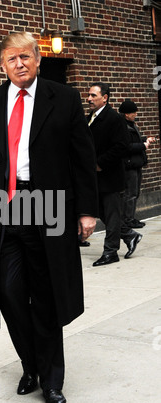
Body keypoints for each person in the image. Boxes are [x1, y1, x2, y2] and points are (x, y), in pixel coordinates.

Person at [0, 32, 98, 403]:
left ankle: (51, 381)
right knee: (8, 293)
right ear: (1, 65)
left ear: (37, 59)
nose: (18, 64)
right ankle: (30, 365)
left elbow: (82, 158)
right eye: (10, 59)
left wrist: (87, 211)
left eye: (25, 56)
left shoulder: (64, 99)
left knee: (48, 295)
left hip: (49, 206)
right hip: (1, 208)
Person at [87, 82, 143, 266]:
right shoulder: (92, 116)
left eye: (93, 96)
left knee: (111, 215)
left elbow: (122, 146)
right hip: (96, 176)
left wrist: (100, 163)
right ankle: (129, 235)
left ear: (105, 97)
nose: (89, 99)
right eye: (89, 95)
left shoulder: (114, 118)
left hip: (109, 175)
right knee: (102, 212)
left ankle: (111, 252)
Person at [119, 99, 154, 229]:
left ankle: (131, 218)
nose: (136, 114)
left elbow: (134, 140)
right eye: (133, 112)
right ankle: (128, 220)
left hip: (136, 163)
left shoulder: (131, 124)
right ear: (126, 114)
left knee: (135, 192)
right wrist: (143, 146)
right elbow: (126, 146)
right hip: (129, 165)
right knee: (130, 193)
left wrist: (145, 139)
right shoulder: (123, 127)